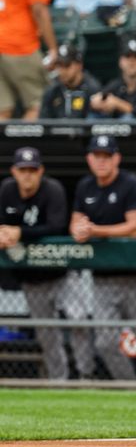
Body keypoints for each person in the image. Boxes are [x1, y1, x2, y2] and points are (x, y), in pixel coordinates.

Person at [70, 135, 136, 381]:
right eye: (96, 156)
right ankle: (130, 386)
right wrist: (79, 230)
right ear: (89, 159)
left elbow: (135, 229)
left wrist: (95, 231)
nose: (101, 161)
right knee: (104, 342)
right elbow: (76, 222)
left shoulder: (131, 184)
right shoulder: (85, 186)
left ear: (116, 158)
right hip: (102, 278)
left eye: (106, 156)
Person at [0, 148, 74, 381]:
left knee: (80, 322)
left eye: (32, 170)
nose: (28, 175)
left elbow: (57, 226)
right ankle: (59, 380)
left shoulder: (52, 190)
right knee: (46, 333)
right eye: (23, 170)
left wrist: (20, 232)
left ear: (41, 171)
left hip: (62, 273)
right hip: (31, 278)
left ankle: (86, 374)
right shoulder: (7, 190)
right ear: (14, 171)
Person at [0, 0, 58, 120]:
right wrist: (53, 48)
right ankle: (25, 143)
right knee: (38, 105)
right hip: (20, 46)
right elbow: (39, 9)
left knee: (3, 111)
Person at [90, 39, 136, 119]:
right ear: (120, 61)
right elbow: (101, 97)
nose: (132, 62)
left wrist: (117, 103)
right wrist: (97, 102)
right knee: (94, 117)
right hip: (118, 130)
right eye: (128, 57)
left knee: (128, 118)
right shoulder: (116, 84)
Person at [39, 44, 102, 119]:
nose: (62, 71)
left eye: (66, 65)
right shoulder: (53, 89)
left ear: (79, 65)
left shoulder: (92, 88)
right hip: (57, 130)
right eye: (59, 66)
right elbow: (44, 123)